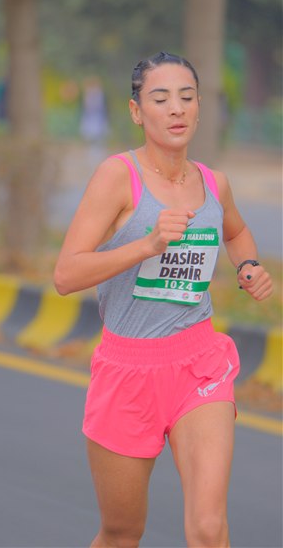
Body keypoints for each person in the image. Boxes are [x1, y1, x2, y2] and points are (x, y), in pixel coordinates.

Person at [53, 51, 273, 548]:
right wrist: (147, 244)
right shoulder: (117, 177)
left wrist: (248, 266)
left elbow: (236, 233)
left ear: (199, 107)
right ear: (137, 111)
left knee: (208, 528)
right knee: (122, 532)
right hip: (127, 372)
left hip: (200, 363)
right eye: (160, 98)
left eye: (186, 97)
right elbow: (66, 275)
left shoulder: (214, 183)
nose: (176, 108)